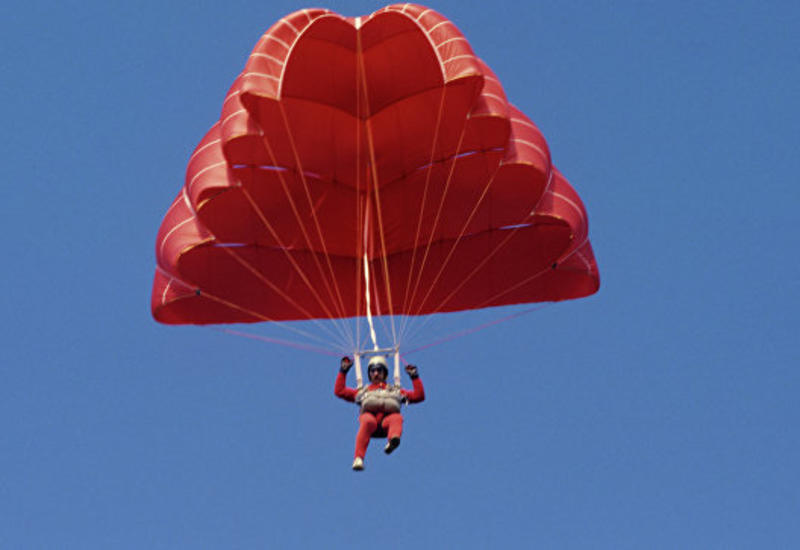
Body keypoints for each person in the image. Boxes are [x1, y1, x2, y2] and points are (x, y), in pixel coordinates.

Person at [335, 355, 425, 471]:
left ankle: (393, 440)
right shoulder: (363, 392)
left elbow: (419, 396)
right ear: (369, 374)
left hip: (386, 425)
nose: (376, 373)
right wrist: (343, 371)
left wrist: (414, 377)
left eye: (379, 370)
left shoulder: (395, 391)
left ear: (385, 373)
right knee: (368, 420)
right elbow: (339, 391)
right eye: (372, 371)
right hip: (370, 424)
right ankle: (358, 458)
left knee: (396, 418)